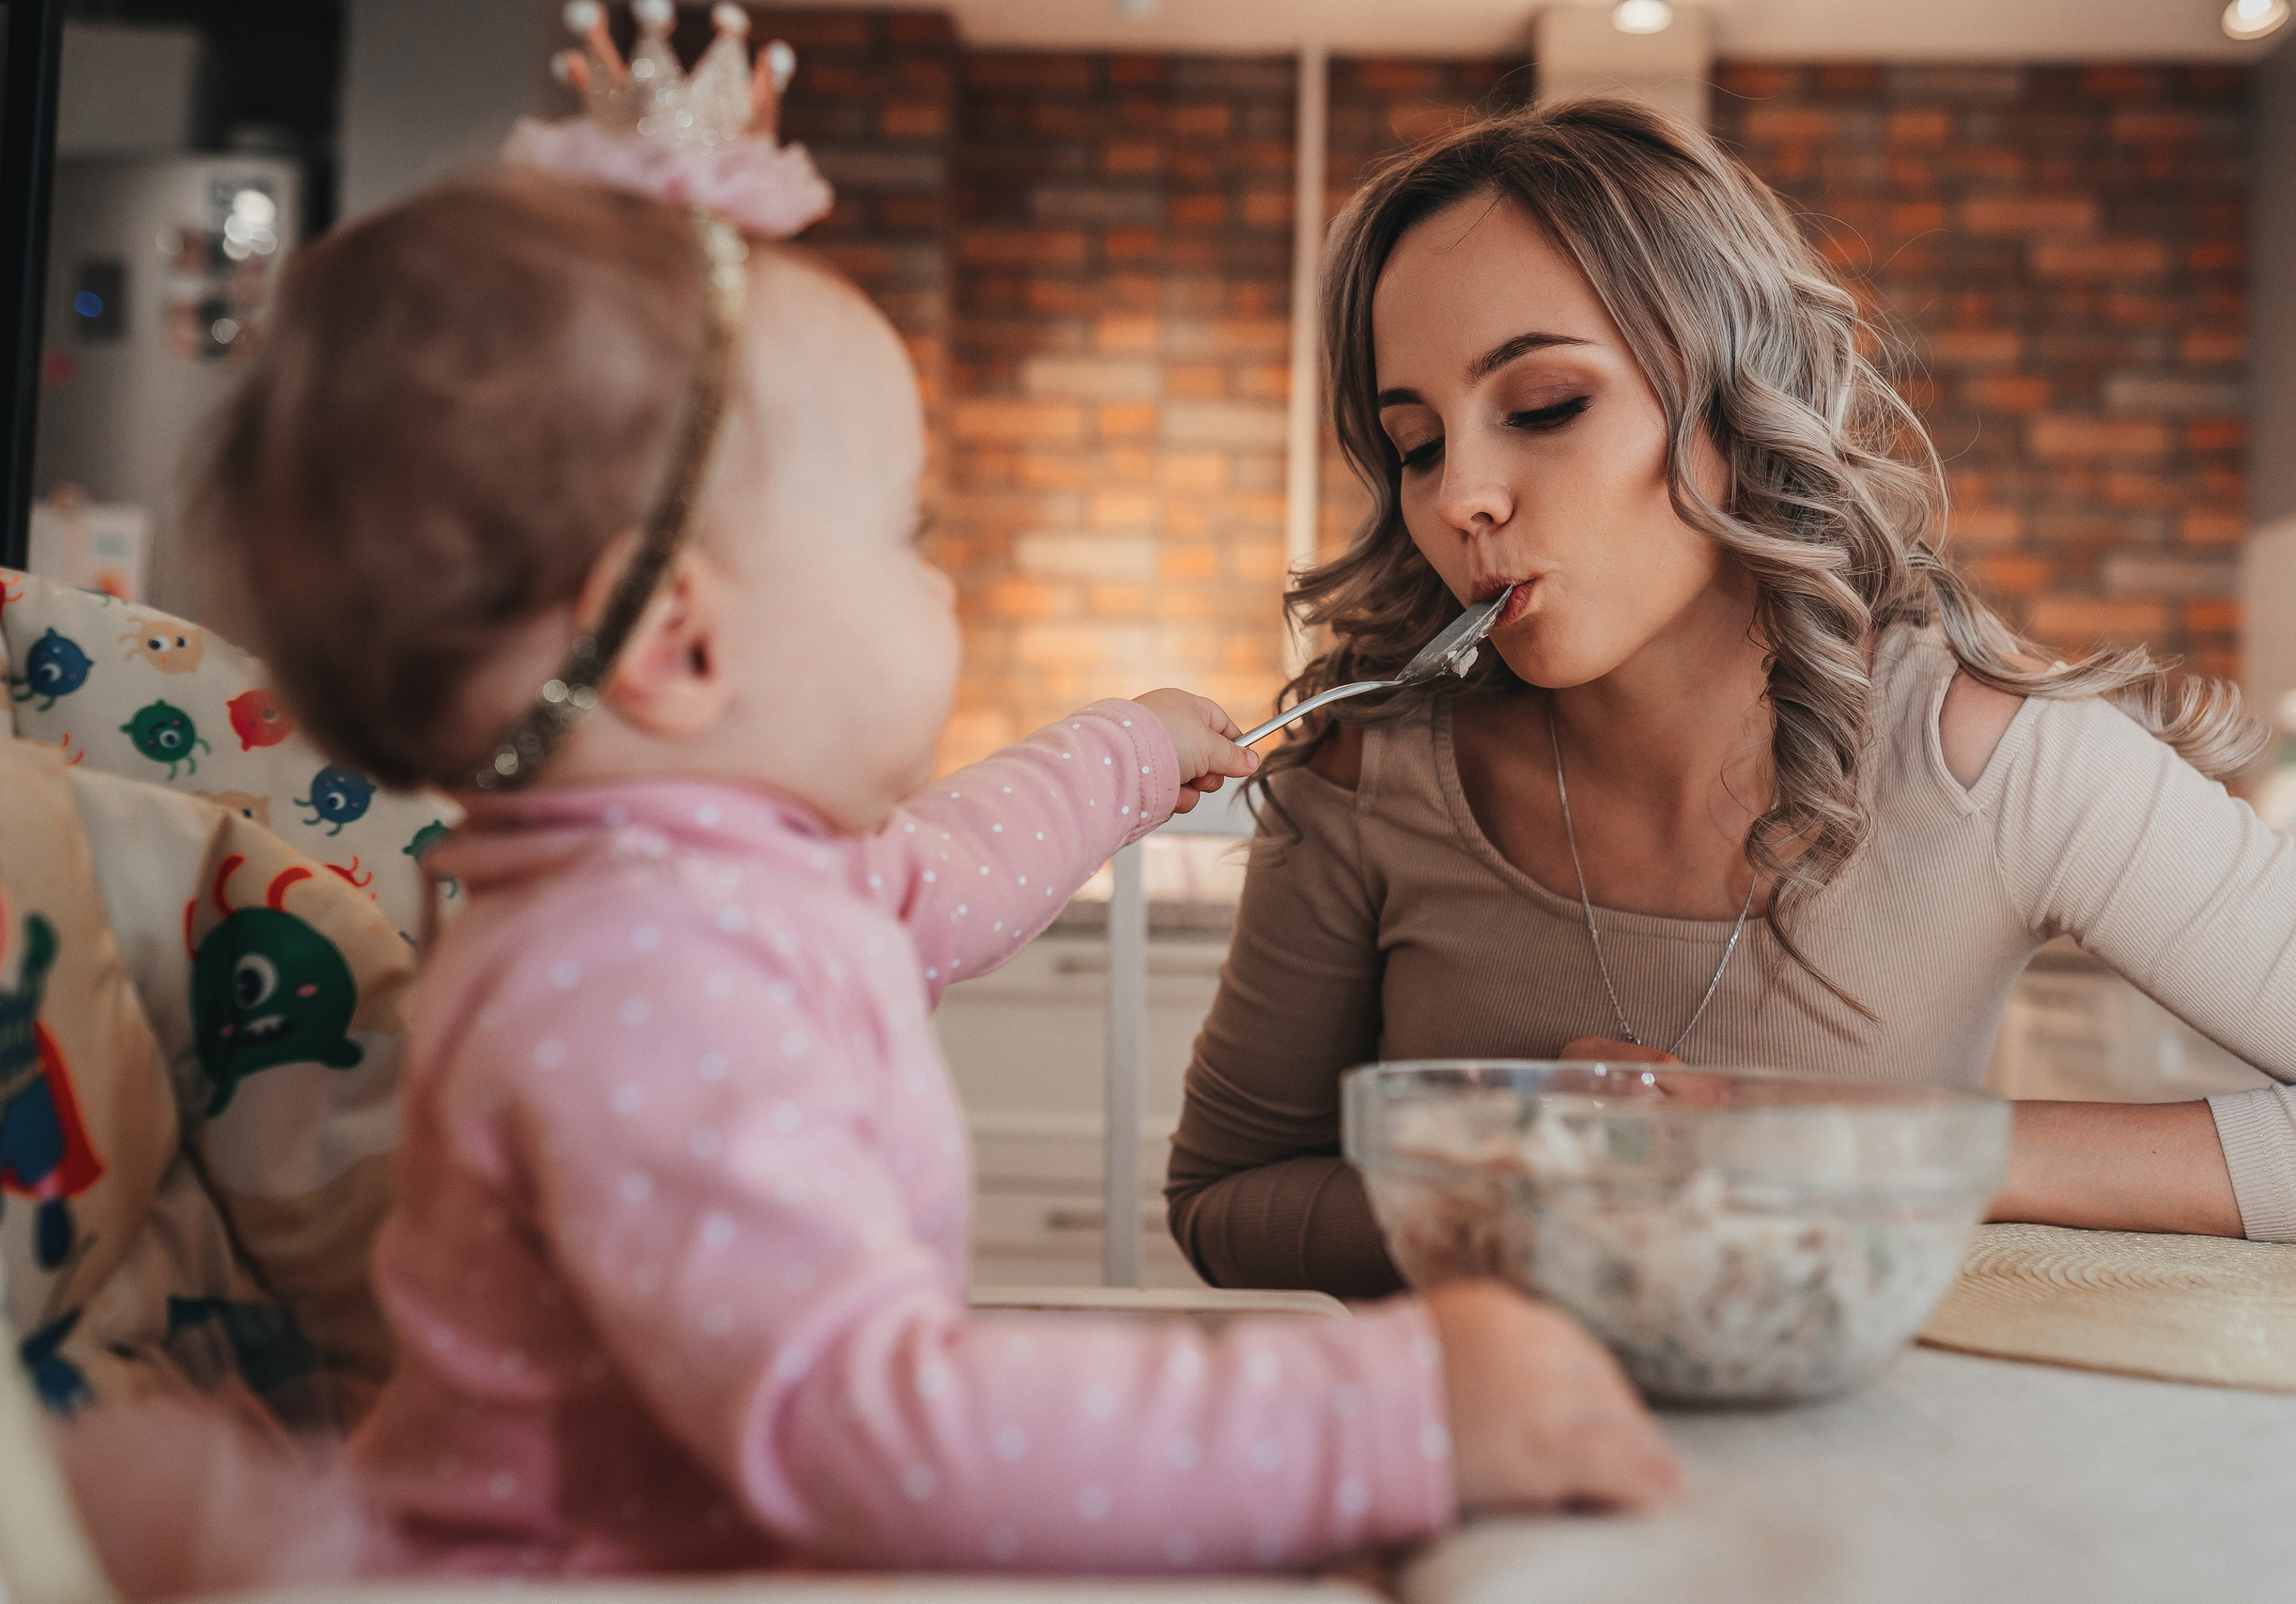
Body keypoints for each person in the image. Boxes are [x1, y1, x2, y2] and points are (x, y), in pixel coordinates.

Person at [77, 156, 1681, 1589]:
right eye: (908, 533)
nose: (944, 576)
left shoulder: (707, 886)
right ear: (687, 643)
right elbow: (863, 1427)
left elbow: (942, 876)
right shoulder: (638, 980)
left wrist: (1125, 754)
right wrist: (1384, 1416)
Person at [1167, 97, 2296, 1300]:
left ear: (1736, 394)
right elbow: (1223, 1203)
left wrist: (1887, 1144)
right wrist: (1522, 1202)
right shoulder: (1363, 772)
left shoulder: (1992, 758)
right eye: (1417, 442)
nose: (1459, 498)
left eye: (1545, 406)